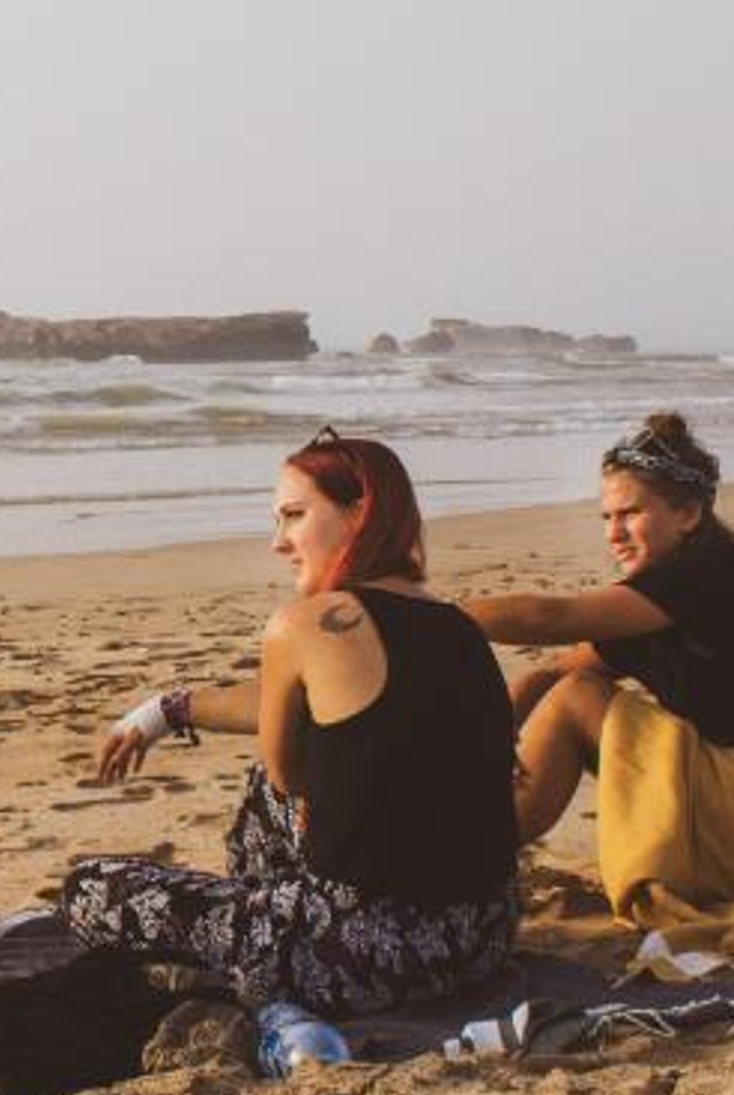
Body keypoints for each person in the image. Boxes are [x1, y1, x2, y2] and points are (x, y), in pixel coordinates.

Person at [64, 430, 519, 1015]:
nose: (280, 542)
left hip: (364, 961)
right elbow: (345, 709)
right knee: (293, 800)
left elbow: (286, 776)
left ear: (360, 514)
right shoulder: (458, 626)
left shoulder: (303, 624)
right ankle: (266, 917)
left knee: (90, 889)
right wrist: (167, 711)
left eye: (294, 516)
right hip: (481, 939)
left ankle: (264, 939)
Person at [464, 413, 734, 855]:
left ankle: (468, 857)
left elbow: (550, 619)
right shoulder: (656, 601)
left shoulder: (718, 574)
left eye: (631, 513)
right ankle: (473, 842)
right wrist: (492, 742)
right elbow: (551, 672)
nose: (614, 534)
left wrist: (426, 615)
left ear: (688, 514)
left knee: (578, 698)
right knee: (574, 686)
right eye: (606, 517)